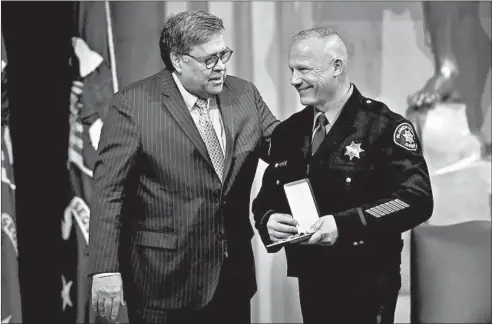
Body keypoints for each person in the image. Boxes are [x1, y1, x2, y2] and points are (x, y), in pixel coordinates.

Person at [88, 10, 279, 324]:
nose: (221, 67)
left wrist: (329, 121)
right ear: (178, 60)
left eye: (224, 54)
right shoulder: (133, 105)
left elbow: (283, 149)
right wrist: (105, 269)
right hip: (163, 284)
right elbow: (108, 193)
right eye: (210, 60)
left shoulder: (244, 94)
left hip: (232, 277)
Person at [252, 27, 434, 324]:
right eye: (291, 70)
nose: (293, 80)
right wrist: (268, 220)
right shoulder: (289, 132)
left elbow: (416, 199)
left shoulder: (384, 127)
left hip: (368, 282)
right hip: (312, 281)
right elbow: (266, 199)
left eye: (304, 70)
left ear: (337, 67)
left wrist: (346, 224)